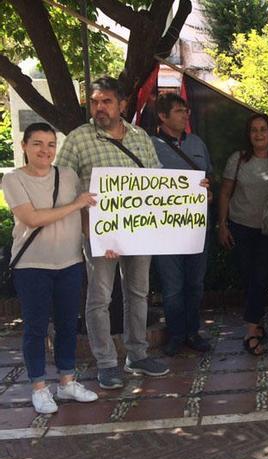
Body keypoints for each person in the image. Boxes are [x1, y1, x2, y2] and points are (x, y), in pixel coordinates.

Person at [54, 76, 170, 389]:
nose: (100, 107)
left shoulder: (139, 136)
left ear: (121, 104)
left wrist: (192, 192)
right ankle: (106, 363)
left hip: (138, 232)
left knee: (138, 293)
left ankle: (137, 355)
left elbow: (157, 181)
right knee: (99, 298)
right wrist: (87, 229)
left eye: (106, 101)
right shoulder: (78, 139)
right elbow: (62, 186)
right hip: (98, 233)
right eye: (94, 102)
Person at [3, 123, 99, 413]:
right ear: (24, 146)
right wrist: (74, 205)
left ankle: (67, 381)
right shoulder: (12, 179)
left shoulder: (68, 175)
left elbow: (87, 210)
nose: (45, 150)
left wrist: (102, 238)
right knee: (35, 328)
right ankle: (39, 386)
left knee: (68, 324)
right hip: (32, 266)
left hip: (70, 262)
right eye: (37, 144)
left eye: (50, 144)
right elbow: (32, 218)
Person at [150, 92, 213, 357]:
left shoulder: (197, 143)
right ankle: (175, 334)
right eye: (178, 111)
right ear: (163, 116)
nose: (185, 114)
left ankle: (193, 332)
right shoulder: (150, 145)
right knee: (173, 286)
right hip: (165, 230)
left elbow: (208, 176)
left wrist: (208, 190)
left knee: (195, 284)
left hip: (197, 228)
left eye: (186, 110)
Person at [217, 113, 268, 356]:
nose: (258, 134)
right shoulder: (238, 159)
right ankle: (257, 321)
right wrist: (222, 225)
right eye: (254, 130)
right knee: (249, 279)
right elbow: (224, 193)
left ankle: (250, 331)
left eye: (263, 129)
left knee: (261, 278)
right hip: (241, 227)